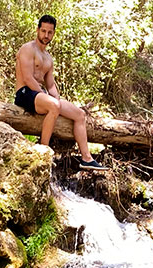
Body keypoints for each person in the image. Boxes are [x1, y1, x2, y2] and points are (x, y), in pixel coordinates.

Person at [14, 15, 105, 170]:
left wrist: (56, 98)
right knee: (54, 105)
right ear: (37, 30)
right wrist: (52, 101)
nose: (46, 35)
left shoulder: (48, 58)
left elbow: (50, 85)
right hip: (24, 93)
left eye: (49, 32)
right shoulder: (28, 49)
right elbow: (28, 79)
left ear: (53, 33)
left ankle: (87, 158)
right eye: (43, 31)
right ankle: (43, 151)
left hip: (41, 97)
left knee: (79, 115)